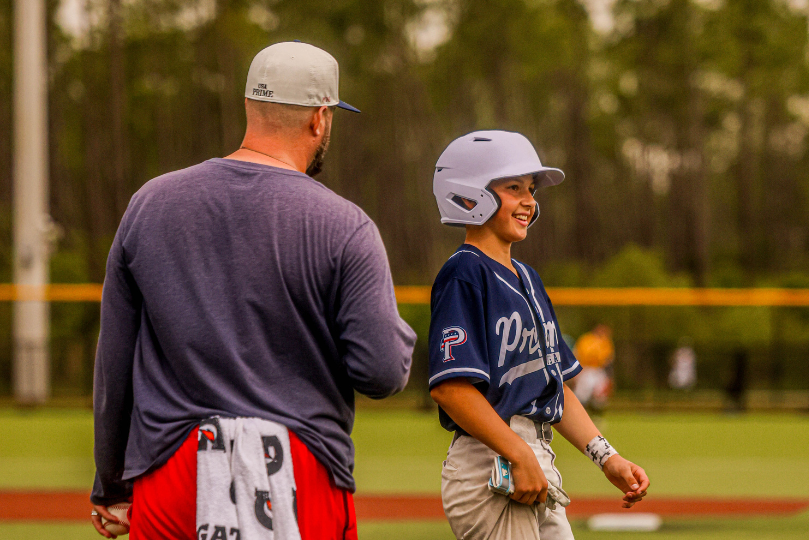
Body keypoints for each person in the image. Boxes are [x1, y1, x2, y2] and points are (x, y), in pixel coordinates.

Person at [91, 41, 416, 540]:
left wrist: (111, 483)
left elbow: (115, 361)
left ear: (249, 106)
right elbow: (380, 372)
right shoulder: (345, 225)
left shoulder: (150, 203)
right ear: (320, 120)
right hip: (301, 468)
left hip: (173, 469)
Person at [428, 131, 649, 539]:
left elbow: (556, 386)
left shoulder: (529, 278)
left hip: (532, 457)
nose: (530, 200)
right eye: (514, 188)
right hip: (490, 462)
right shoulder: (464, 272)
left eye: (530, 190)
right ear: (469, 193)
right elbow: (452, 389)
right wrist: (516, 452)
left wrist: (607, 457)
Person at [571, 324, 615, 415]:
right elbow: (576, 355)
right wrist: (576, 372)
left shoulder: (605, 341)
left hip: (599, 370)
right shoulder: (585, 340)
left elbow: (608, 361)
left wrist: (609, 377)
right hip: (585, 369)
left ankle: (597, 416)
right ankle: (578, 415)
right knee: (581, 395)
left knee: (600, 395)